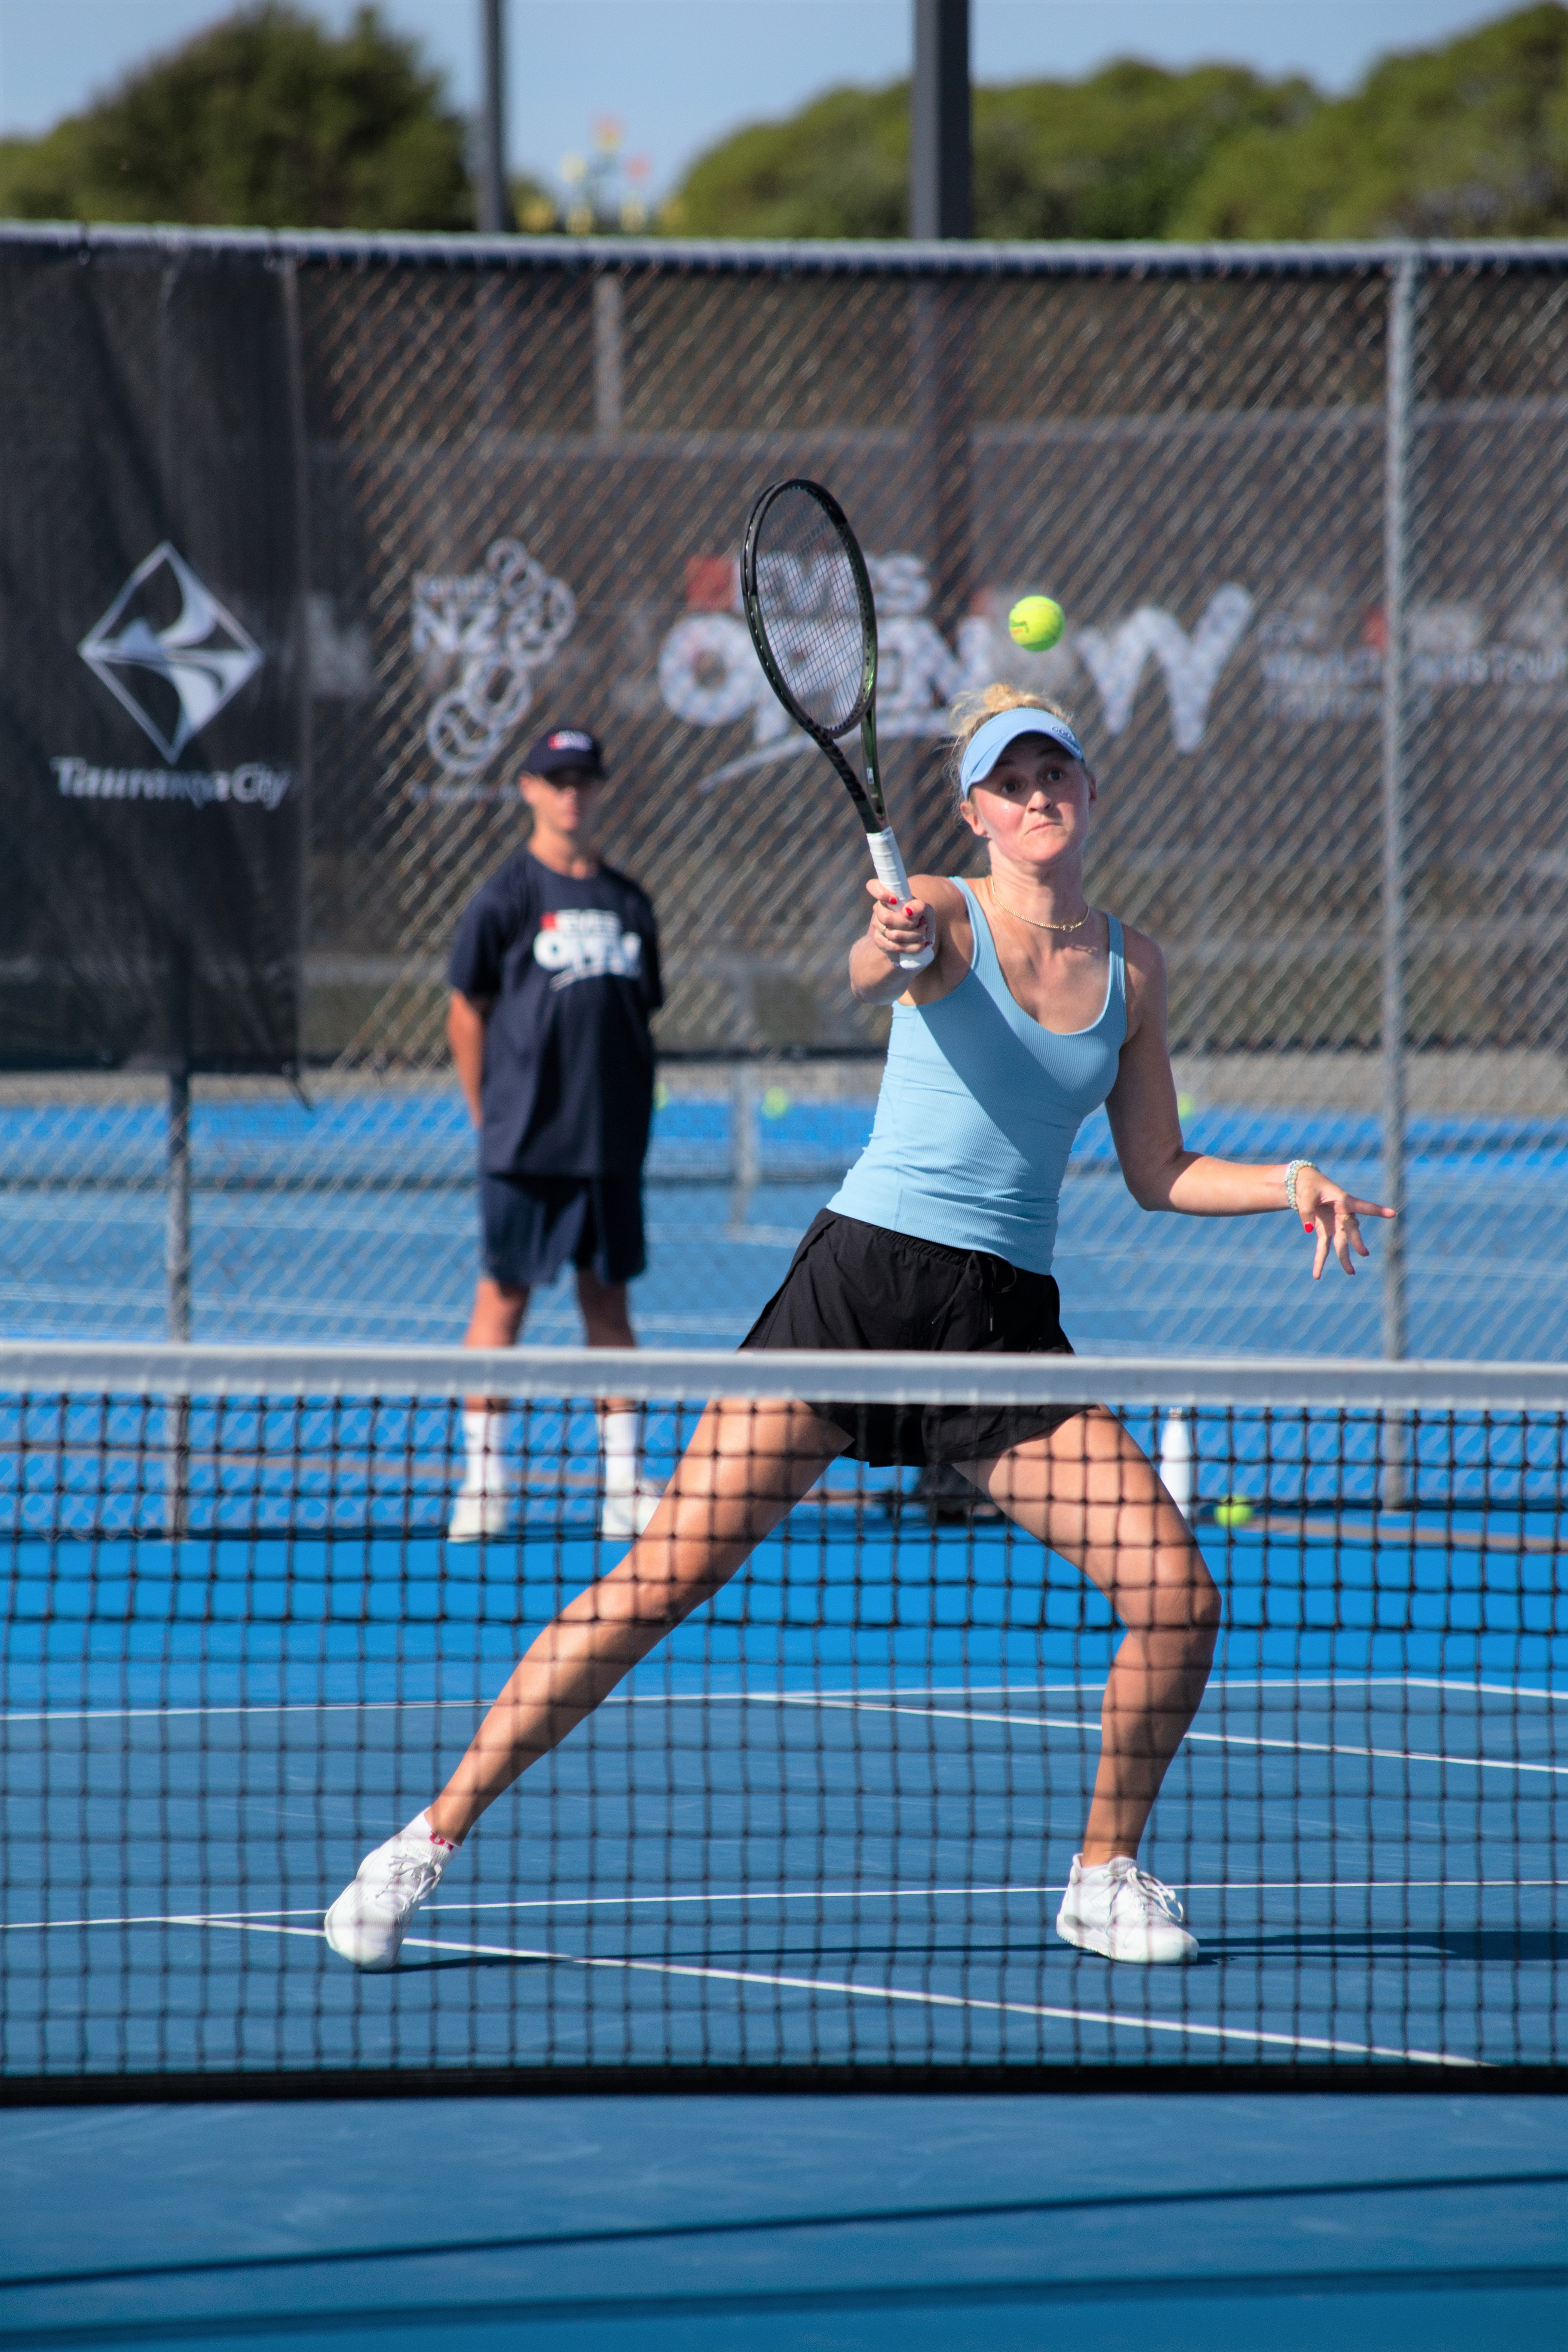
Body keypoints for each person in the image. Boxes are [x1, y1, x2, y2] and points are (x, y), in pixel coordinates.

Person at [325, 684, 1391, 1972]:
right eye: (1012, 783)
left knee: (1179, 1599)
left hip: (1001, 1329)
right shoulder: (939, 906)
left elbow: (1158, 1169)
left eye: (1057, 775)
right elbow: (869, 965)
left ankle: (1103, 1876)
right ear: (975, 813)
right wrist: (892, 944)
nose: (1039, 798)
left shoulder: (1135, 967)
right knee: (658, 1582)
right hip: (855, 1294)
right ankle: (424, 1842)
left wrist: (1288, 1181)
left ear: (1090, 791)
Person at [444, 725, 665, 1542]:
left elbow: (639, 1015)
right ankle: (483, 1484)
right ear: (530, 789)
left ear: (598, 790)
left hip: (609, 1148)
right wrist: (488, 1112)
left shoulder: (630, 901)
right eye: (557, 780)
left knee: (609, 1307)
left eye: (583, 780)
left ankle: (622, 1486)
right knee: (502, 1302)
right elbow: (466, 1010)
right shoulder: (503, 897)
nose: (572, 794)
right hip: (524, 1148)